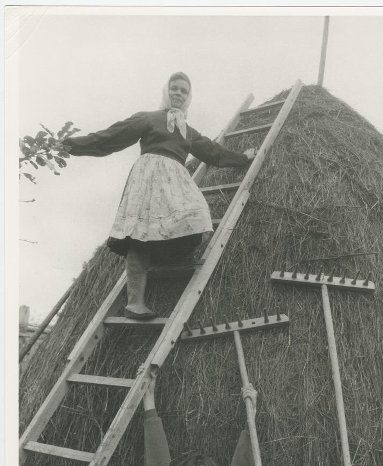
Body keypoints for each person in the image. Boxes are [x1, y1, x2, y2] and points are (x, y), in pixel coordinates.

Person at [64, 72, 256, 320]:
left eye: (183, 91)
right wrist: (71, 145)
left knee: (197, 215)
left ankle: (164, 260)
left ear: (188, 98)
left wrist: (243, 158)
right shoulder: (149, 118)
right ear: (166, 92)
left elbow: (213, 153)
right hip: (147, 179)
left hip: (174, 182)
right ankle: (135, 304)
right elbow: (111, 138)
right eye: (174, 88)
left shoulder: (188, 131)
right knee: (139, 237)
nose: (178, 93)